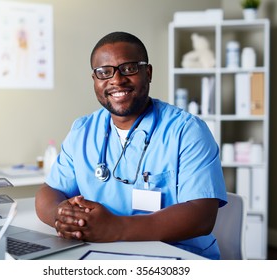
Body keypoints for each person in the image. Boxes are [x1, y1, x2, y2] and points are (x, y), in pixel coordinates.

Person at [35, 31, 227, 259]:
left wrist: (116, 228)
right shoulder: (82, 131)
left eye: (129, 68)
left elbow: (201, 215)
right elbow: (50, 191)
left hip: (177, 258)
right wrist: (61, 216)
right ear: (95, 81)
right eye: (104, 72)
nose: (116, 80)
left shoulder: (187, 130)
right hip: (103, 255)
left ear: (148, 73)